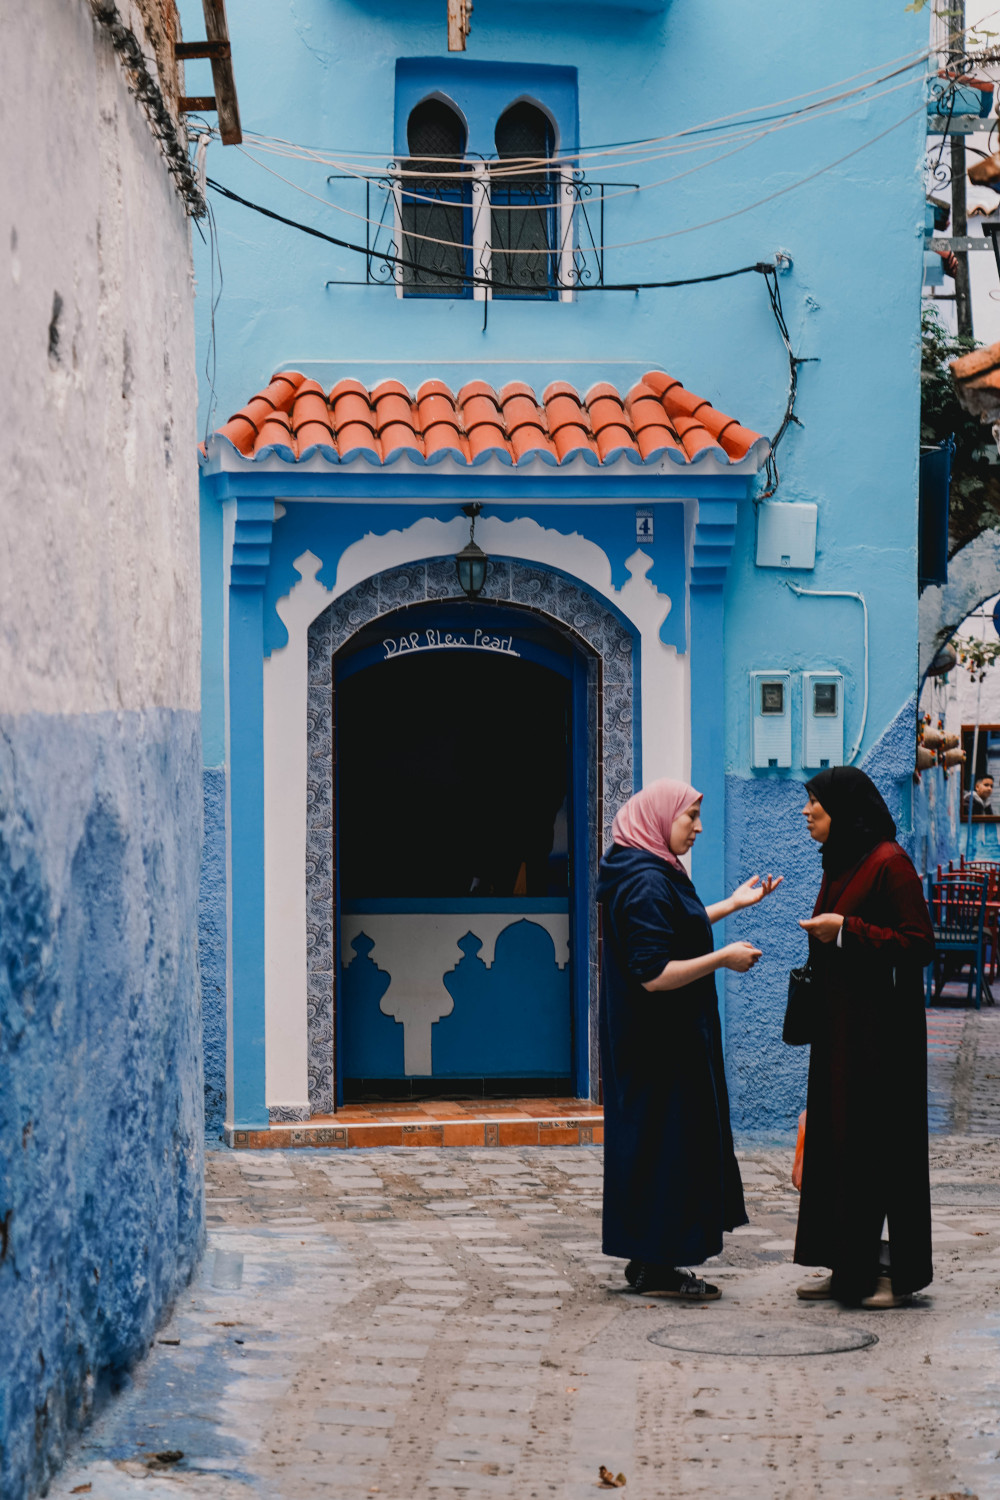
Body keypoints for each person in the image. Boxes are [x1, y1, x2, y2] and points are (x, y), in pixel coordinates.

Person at [597, 778, 782, 1301]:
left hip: (661, 1039)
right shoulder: (646, 883)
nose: (698, 828)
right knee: (667, 1146)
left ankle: (649, 1258)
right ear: (660, 819)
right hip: (661, 1045)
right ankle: (657, 1265)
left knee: (661, 1145)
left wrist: (731, 905)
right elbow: (654, 973)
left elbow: (675, 928)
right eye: (690, 817)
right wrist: (724, 959)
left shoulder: (645, 869)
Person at [794, 766, 935, 1310]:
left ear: (845, 814)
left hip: (882, 1039)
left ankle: (886, 1277)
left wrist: (847, 931)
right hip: (840, 1033)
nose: (807, 813)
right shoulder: (842, 862)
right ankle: (845, 1265)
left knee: (876, 1150)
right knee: (838, 1146)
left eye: (816, 806)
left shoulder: (889, 863)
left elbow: (918, 943)